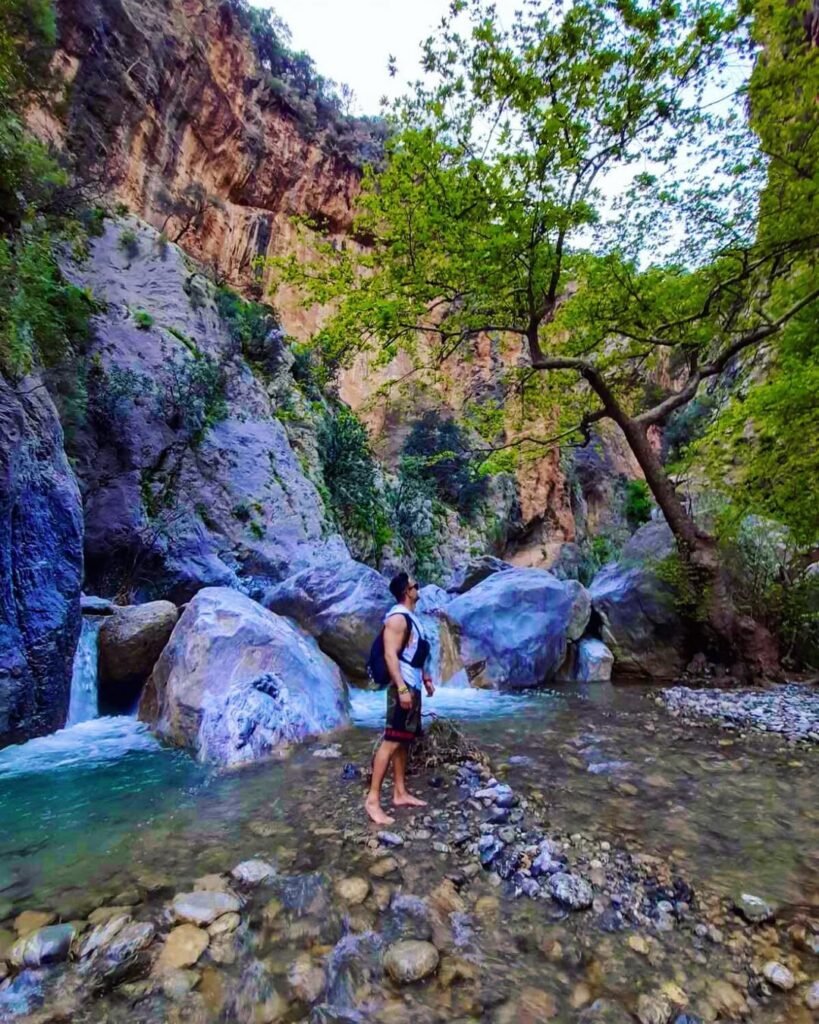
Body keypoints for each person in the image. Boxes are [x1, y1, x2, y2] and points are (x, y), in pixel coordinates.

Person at [365, 571, 435, 825]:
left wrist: (425, 678)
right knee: (391, 740)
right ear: (407, 591)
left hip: (412, 684)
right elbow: (390, 656)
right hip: (402, 686)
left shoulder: (411, 619)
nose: (419, 588)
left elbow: (415, 653)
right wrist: (402, 688)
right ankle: (373, 800)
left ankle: (400, 792)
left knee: (403, 740)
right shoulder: (396, 618)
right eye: (416, 585)